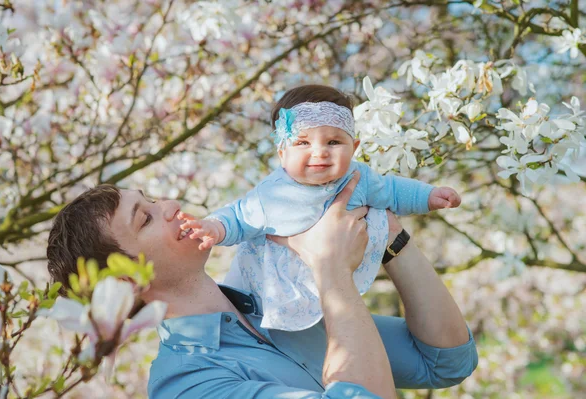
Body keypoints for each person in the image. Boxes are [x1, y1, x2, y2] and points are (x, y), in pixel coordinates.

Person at [46, 177, 478, 398]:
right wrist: (331, 271)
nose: (171, 206)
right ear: (127, 281)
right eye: (145, 218)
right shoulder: (187, 384)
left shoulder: (277, 299)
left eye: (152, 199)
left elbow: (444, 361)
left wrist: (390, 237)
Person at [178, 85, 462, 331]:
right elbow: (238, 217)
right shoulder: (274, 193)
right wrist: (213, 228)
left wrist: (430, 196)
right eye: (303, 142)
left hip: (329, 283)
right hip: (269, 293)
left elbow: (393, 191)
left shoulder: (358, 177)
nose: (320, 152)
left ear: (354, 147)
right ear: (282, 152)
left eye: (334, 142)